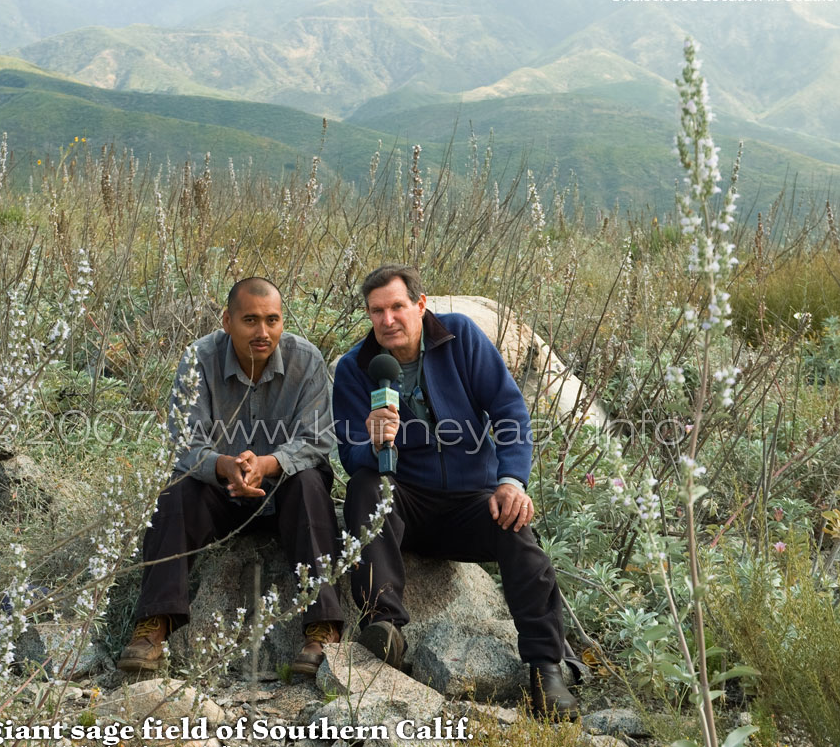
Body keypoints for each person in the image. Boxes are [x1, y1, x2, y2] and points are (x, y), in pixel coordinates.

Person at [331, 264, 579, 718]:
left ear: (420, 306)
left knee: (518, 529)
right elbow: (350, 457)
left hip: (471, 501)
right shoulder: (355, 369)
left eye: (397, 307)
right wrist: (372, 441)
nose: (388, 320)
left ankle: (546, 670)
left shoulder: (460, 337)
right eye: (377, 311)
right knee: (366, 487)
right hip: (406, 504)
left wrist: (511, 481)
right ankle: (384, 627)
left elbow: (507, 409)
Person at [118, 277, 342, 677]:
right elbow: (184, 442)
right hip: (220, 493)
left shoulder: (305, 360)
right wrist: (224, 466)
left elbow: (317, 439)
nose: (263, 332)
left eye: (272, 320)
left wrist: (268, 463)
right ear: (227, 320)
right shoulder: (199, 359)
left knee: (310, 481)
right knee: (174, 488)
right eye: (250, 320)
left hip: (284, 493)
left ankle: (321, 628)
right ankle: (153, 625)